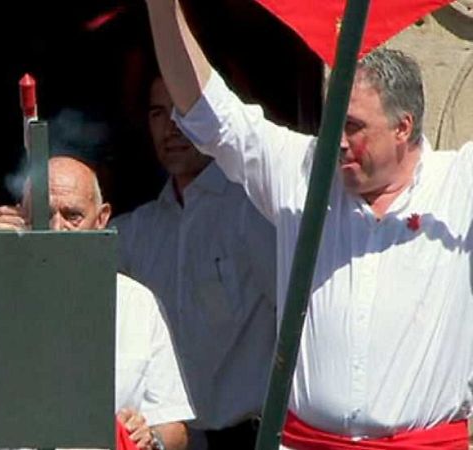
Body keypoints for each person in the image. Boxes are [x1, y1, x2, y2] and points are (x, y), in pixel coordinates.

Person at [145, 0, 473, 448]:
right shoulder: (302, 172)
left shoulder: (458, 185)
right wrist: (162, 9)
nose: (336, 140)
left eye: (353, 126)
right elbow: (210, 113)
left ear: (403, 128)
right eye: (331, 120)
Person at [110, 74, 277, 450]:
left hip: (244, 437)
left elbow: (299, 320)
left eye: (184, 110)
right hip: (163, 440)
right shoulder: (137, 230)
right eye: (158, 113)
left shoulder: (254, 213)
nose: (172, 127)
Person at [0, 155, 194, 450]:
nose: (58, 229)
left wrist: (150, 438)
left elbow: (174, 424)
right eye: (45, 215)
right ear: (23, 216)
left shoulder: (137, 304)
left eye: (72, 216)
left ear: (101, 219)